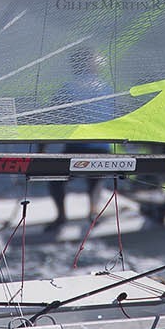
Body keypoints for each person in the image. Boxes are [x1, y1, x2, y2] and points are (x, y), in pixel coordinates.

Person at [48, 48, 121, 230]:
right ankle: (93, 212)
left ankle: (61, 217)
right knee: (95, 178)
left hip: (77, 148)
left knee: (56, 178)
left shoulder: (67, 88)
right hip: (102, 150)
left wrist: (41, 149)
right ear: (93, 65)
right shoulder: (107, 88)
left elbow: (50, 118)